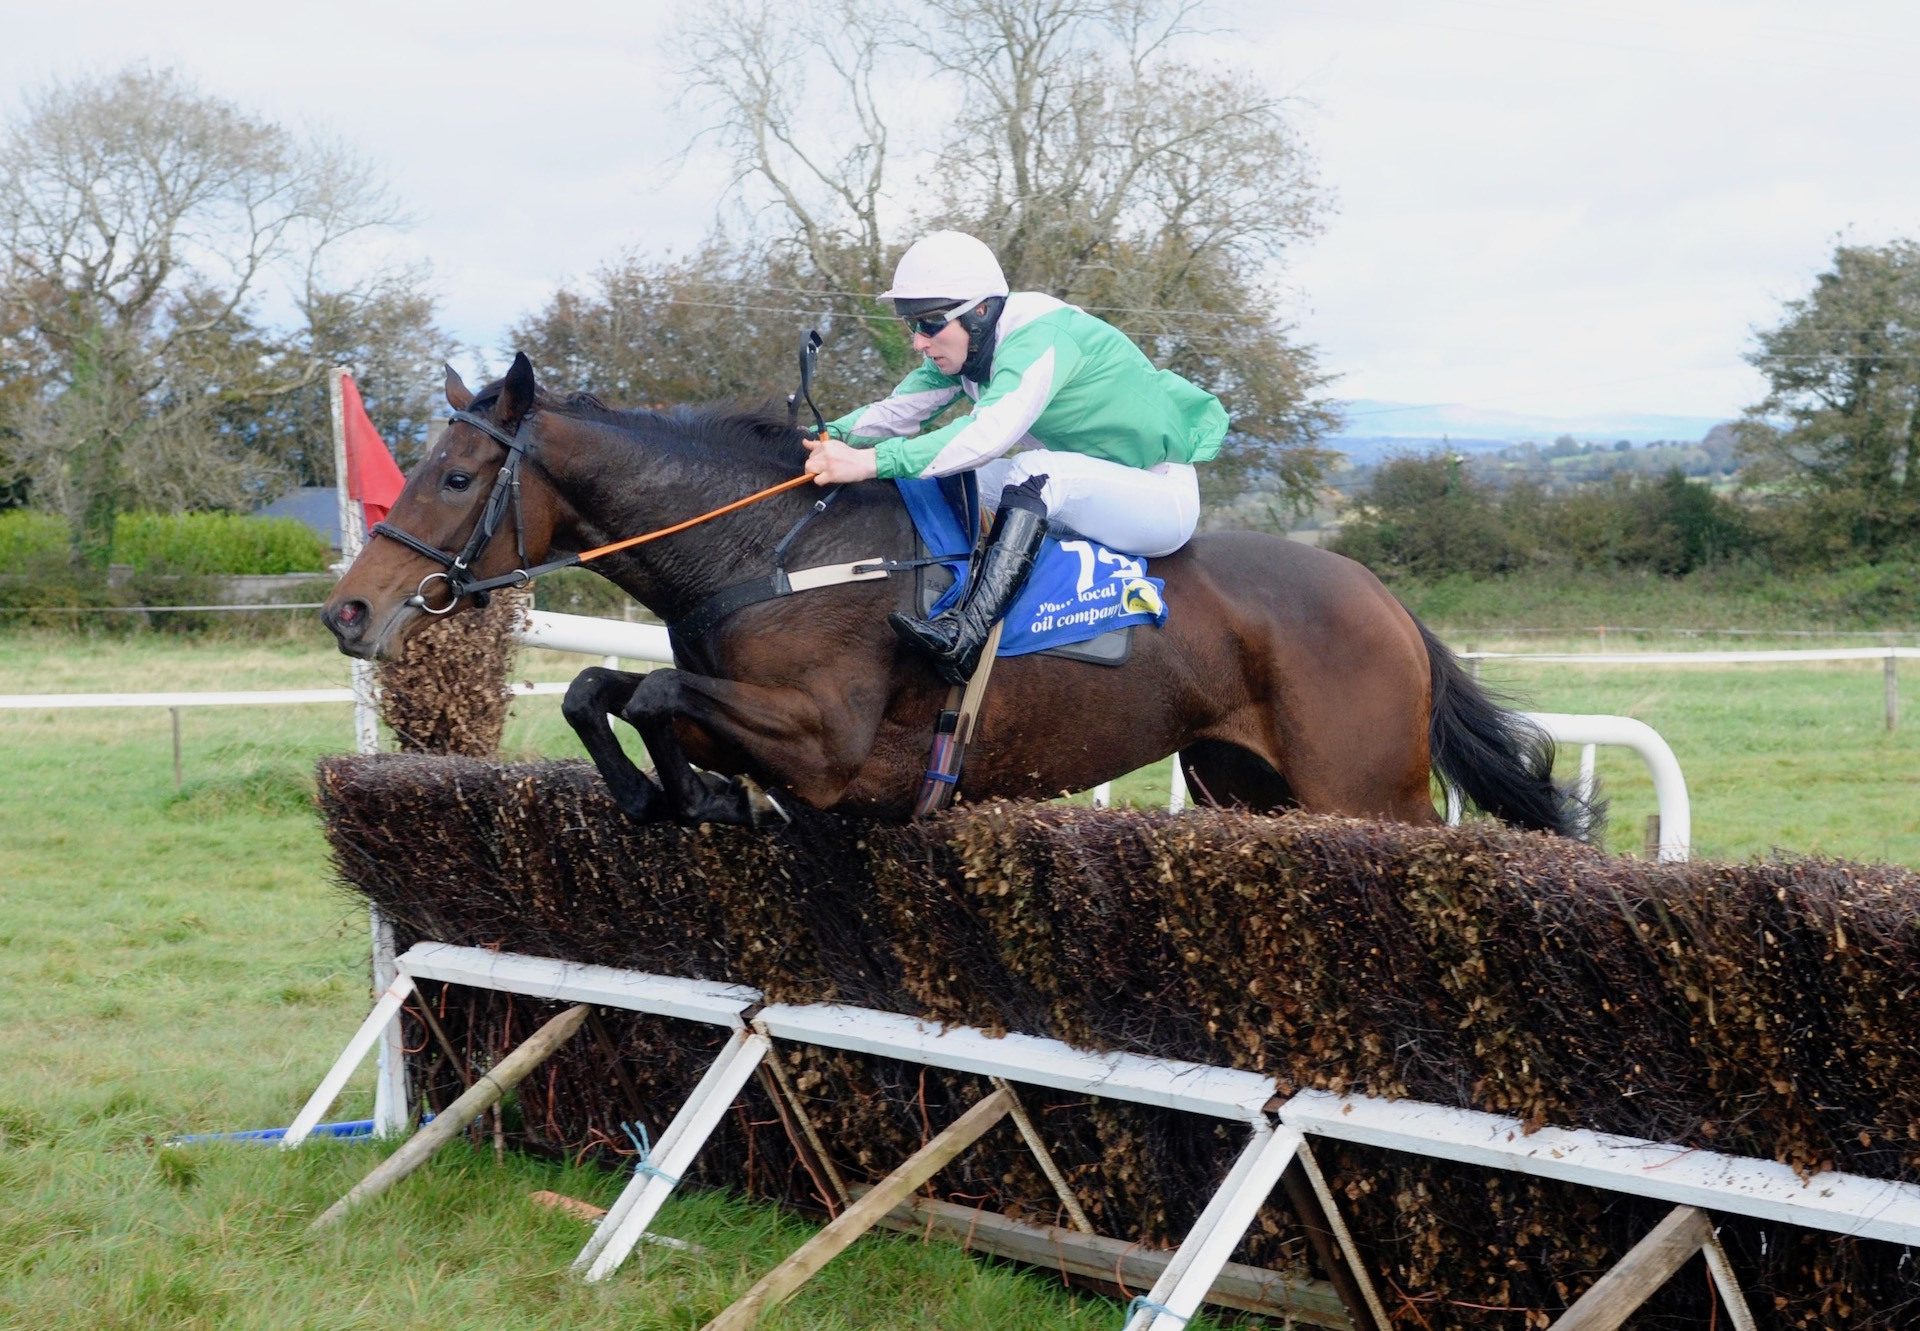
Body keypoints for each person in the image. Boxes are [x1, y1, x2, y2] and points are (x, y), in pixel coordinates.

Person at [803, 230, 1227, 685]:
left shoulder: (1041, 337)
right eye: (912, 326)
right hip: (1094, 490)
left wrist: (868, 463)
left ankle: (968, 633)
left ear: (980, 311)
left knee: (1033, 471)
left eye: (929, 324)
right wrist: (815, 436)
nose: (919, 342)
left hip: (1159, 498)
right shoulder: (969, 348)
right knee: (956, 479)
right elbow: (896, 411)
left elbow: (986, 434)